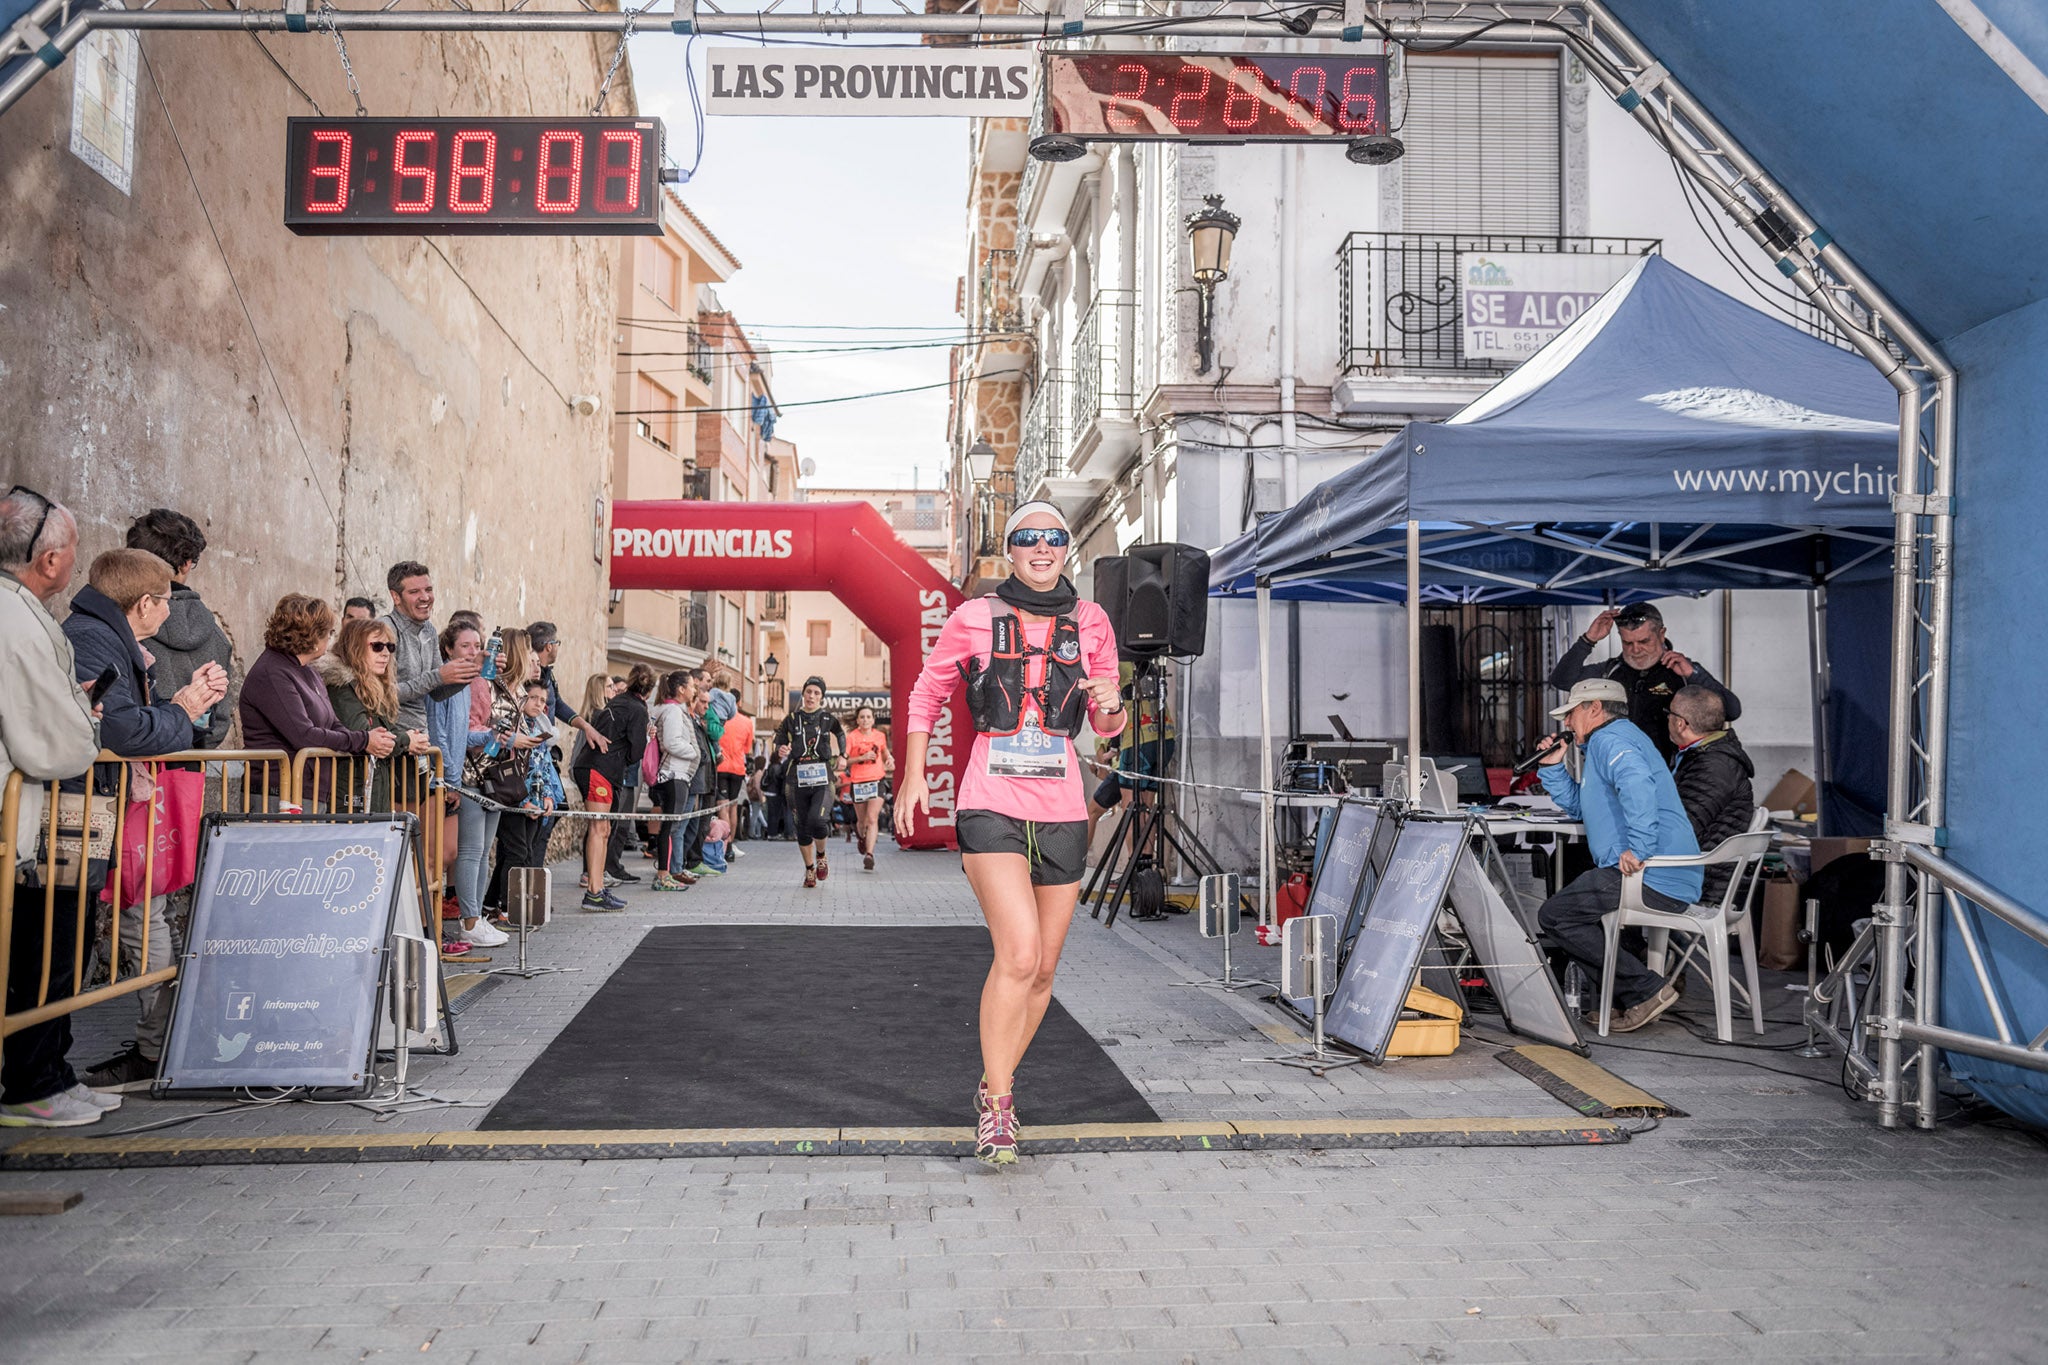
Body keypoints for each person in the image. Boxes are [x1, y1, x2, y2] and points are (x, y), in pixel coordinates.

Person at [895, 500, 1125, 1165]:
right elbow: (925, 694)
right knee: (1019, 953)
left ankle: (997, 1077)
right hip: (990, 800)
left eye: (1053, 537)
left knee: (1045, 968)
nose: (1042, 546)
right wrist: (914, 776)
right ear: (1011, 549)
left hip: (1062, 806)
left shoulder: (1093, 623)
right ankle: (999, 1107)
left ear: (1066, 548)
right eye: (1028, 537)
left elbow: (1104, 721)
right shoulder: (973, 617)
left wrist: (1110, 709)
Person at [63, 548, 231, 1094]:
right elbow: (124, 731)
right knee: (87, 937)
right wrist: (182, 709)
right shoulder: (92, 638)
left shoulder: (108, 636)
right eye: (166, 602)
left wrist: (190, 711)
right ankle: (53, 1071)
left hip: (118, 810)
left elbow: (140, 719)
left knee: (136, 924)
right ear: (145, 603)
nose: (170, 614)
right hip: (91, 812)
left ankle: (155, 1045)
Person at [0, 487, 107, 1128]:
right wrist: (82, 721)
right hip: (26, 820)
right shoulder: (17, 620)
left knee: (45, 951)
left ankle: (50, 1074)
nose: (72, 563)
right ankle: (32, 1084)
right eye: (71, 552)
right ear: (49, 562)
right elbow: (56, 744)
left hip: (34, 819)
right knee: (37, 954)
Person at [1532, 677, 1703, 1034]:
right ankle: (1629, 992)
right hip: (1663, 872)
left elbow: (1637, 784)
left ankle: (1645, 991)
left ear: (1594, 708)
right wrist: (1551, 767)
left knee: (1556, 916)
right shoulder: (1614, 740)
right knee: (1580, 908)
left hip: (1655, 873)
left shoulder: (1610, 740)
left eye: (1571, 713)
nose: (1565, 724)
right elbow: (1583, 807)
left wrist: (1638, 848)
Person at [240, 594, 394, 800]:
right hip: (278, 793)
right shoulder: (272, 672)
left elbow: (333, 723)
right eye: (328, 633)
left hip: (310, 791)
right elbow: (303, 734)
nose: (331, 639)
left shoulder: (309, 671)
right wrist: (363, 739)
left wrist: (365, 738)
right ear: (312, 636)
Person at [1548, 603, 1742, 763]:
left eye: (1644, 641)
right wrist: (1588, 640)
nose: (1636, 649)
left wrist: (1694, 674)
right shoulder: (1610, 671)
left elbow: (1732, 710)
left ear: (1661, 634)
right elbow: (1561, 680)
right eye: (1628, 643)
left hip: (1670, 774)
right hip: (1616, 771)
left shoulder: (1681, 671)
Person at [124, 509, 237, 752]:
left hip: (124, 768)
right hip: (186, 769)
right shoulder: (216, 636)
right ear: (186, 564)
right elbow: (218, 724)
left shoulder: (122, 620)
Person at [318, 617, 432, 811]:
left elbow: (388, 730)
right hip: (349, 793)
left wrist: (413, 739)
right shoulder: (341, 686)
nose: (385, 653)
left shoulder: (376, 687)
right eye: (377, 646)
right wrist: (406, 741)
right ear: (355, 648)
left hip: (373, 789)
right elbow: (362, 734)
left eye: (390, 647)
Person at [1667, 685, 1756, 904]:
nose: (1666, 719)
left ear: (1680, 723)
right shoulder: (1702, 756)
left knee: (1601, 883)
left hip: (1700, 881)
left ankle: (1630, 939)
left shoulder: (1714, 767)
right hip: (1693, 870)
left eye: (1669, 713)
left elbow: (1682, 828)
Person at [572, 664, 649, 912]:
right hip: (599, 770)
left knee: (603, 828)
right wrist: (647, 736)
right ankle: (594, 892)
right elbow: (636, 753)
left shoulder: (618, 703)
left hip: (598, 768)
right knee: (598, 828)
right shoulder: (637, 709)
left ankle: (598, 887)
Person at [380, 561, 477, 736]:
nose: (425, 597)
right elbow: (382, 694)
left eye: (428, 590)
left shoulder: (429, 630)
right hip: (391, 740)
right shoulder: (384, 629)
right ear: (395, 597)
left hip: (420, 738)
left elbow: (437, 693)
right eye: (414, 592)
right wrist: (438, 676)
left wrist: (473, 669)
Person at [1086, 661, 1176, 845]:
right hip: (1164, 736)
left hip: (1137, 740)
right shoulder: (1148, 661)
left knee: (1131, 812)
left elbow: (1110, 710)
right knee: (1146, 811)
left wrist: (1108, 749)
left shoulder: (1115, 662)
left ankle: (1133, 869)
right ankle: (1144, 871)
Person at [775, 676, 847, 888]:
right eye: (809, 692)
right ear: (803, 693)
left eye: (816, 693)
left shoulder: (827, 718)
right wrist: (781, 748)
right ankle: (809, 870)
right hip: (796, 778)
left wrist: (843, 754)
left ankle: (821, 856)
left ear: (821, 697)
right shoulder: (791, 718)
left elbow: (840, 733)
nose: (811, 696)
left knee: (818, 821)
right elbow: (779, 739)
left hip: (823, 776)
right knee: (802, 826)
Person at [524, 621, 611, 766]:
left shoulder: (548, 675)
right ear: (549, 646)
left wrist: (586, 727)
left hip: (545, 750)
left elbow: (558, 705)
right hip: (531, 753)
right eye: (557, 643)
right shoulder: (528, 676)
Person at [649, 670, 702, 893]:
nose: (694, 690)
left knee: (671, 826)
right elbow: (671, 742)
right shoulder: (672, 711)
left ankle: (666, 873)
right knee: (670, 827)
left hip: (677, 775)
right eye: (691, 686)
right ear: (681, 689)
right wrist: (694, 751)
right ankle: (663, 874)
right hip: (673, 775)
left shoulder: (672, 710)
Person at [844, 704, 893, 872]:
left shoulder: (880, 736)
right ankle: (862, 837)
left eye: (868, 717)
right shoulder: (852, 737)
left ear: (873, 720)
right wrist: (861, 757)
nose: (865, 720)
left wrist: (889, 759)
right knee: (862, 821)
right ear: (858, 720)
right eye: (862, 717)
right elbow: (845, 761)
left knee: (872, 818)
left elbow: (884, 752)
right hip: (858, 782)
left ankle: (869, 855)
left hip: (876, 780)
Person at [715, 689, 755, 859]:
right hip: (738, 768)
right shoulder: (746, 722)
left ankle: (724, 844)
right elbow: (748, 749)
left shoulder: (719, 718)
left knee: (722, 806)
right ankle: (731, 845)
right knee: (733, 806)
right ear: (738, 703)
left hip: (720, 766)